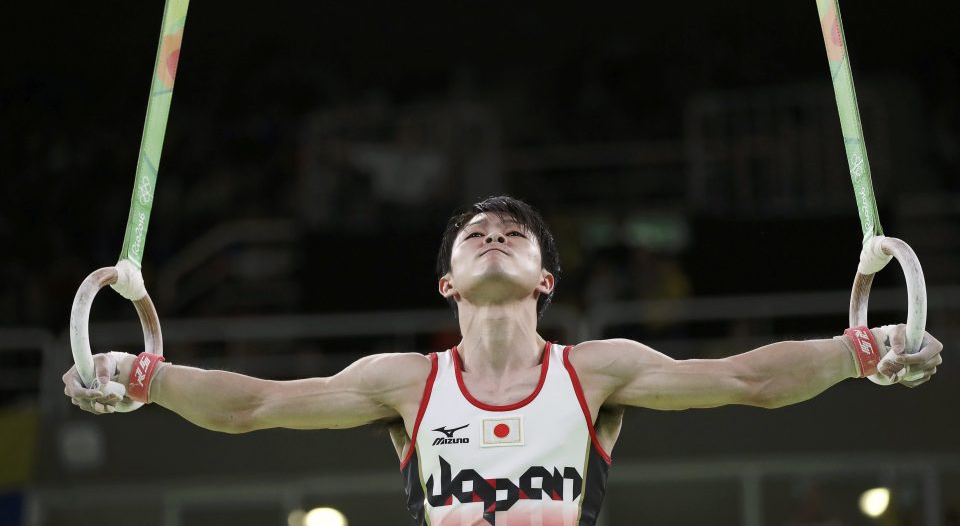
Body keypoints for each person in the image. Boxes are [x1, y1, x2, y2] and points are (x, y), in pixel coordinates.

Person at [63, 196, 943, 526]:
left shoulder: (596, 370)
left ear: (545, 279)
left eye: (512, 232)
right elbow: (255, 405)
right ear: (448, 281)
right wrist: (141, 376)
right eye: (474, 234)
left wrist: (859, 351)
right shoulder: (405, 383)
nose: (493, 235)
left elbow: (749, 381)